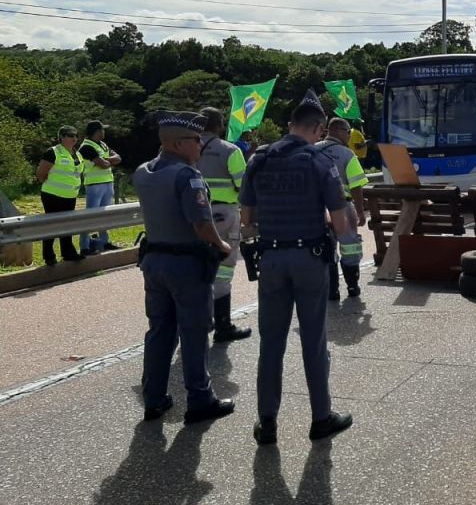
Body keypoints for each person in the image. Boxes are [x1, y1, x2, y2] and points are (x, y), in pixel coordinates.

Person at [240, 90, 353, 445]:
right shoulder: (320, 163)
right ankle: (321, 417)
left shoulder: (258, 160)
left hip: (270, 259)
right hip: (309, 259)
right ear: (319, 129)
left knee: (270, 343)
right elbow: (342, 227)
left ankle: (267, 422)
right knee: (313, 341)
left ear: (289, 125)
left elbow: (247, 220)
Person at [134, 111, 235, 425]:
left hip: (154, 262)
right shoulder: (187, 176)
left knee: (159, 331)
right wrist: (223, 246)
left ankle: (154, 399)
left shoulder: (142, 172)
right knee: (193, 332)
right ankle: (200, 399)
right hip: (186, 265)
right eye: (195, 140)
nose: (200, 146)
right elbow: (202, 224)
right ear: (178, 143)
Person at [197, 107, 252, 343]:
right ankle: (223, 325)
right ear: (220, 125)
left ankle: (198, 323)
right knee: (224, 268)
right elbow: (245, 187)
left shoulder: (186, 147)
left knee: (196, 268)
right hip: (223, 214)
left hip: (194, 215)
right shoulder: (230, 150)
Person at [315, 118, 369, 301]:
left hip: (318, 209)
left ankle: (331, 290)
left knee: (326, 249)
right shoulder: (347, 154)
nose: (349, 136)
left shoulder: (312, 151)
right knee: (350, 246)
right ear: (339, 130)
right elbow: (356, 186)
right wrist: (361, 212)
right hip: (343, 206)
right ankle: (352, 286)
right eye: (348, 132)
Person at [36, 125, 85, 266]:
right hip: (52, 195)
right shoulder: (53, 152)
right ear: (62, 137)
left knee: (67, 224)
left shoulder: (78, 154)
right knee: (52, 225)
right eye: (70, 135)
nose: (74, 138)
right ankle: (49, 255)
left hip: (70, 196)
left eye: (76, 135)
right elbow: (40, 174)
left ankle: (68, 253)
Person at [78, 120, 122, 254]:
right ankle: (84, 247)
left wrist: (106, 161)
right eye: (102, 130)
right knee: (90, 216)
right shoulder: (86, 147)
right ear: (97, 132)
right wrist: (108, 161)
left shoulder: (102, 145)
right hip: (94, 185)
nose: (104, 132)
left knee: (104, 216)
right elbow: (103, 164)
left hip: (107, 183)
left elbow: (118, 158)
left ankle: (104, 242)